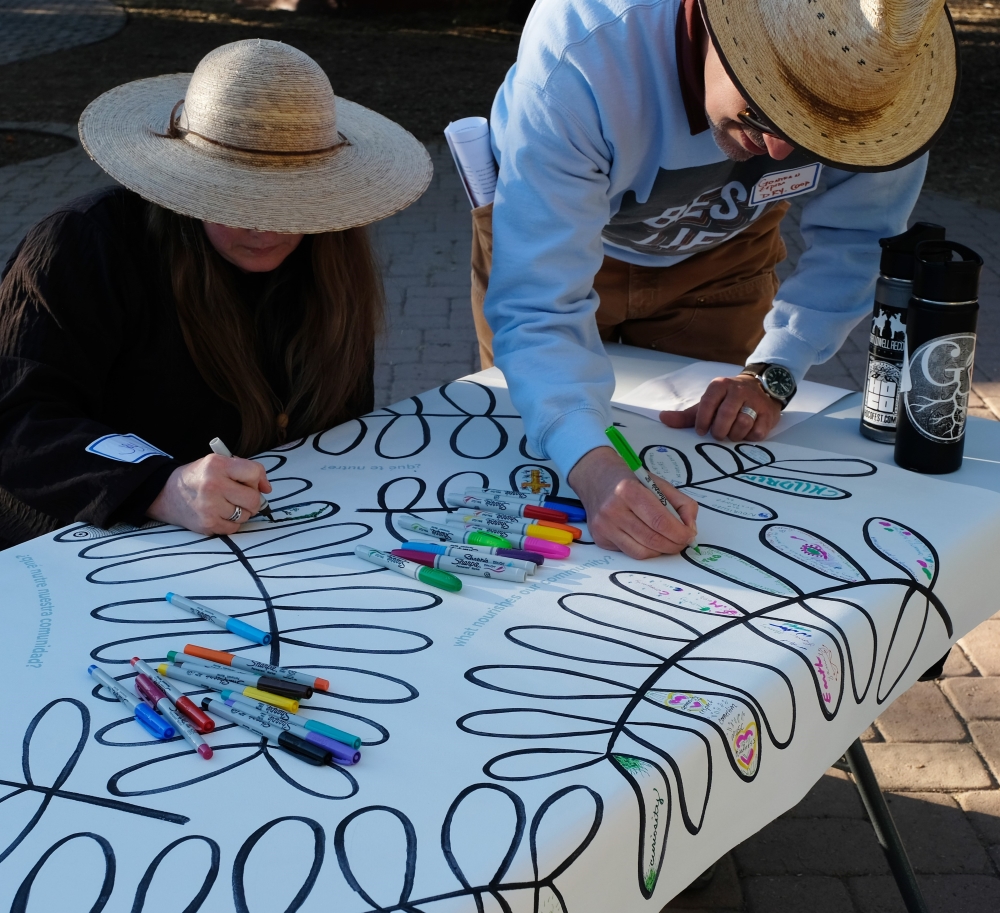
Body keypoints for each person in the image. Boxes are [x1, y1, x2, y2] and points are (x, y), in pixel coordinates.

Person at [471, 0, 957, 559]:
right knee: (537, 436)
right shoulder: (579, 47)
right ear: (713, 20)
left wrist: (776, 370)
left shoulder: (889, 83)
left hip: (727, 249)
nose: (777, 152)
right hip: (555, 237)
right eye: (765, 114)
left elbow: (858, 238)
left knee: (712, 452)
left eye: (819, 138)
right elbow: (537, 305)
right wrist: (590, 463)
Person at [0, 39, 432, 547]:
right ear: (187, 181)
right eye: (236, 197)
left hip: (268, 545)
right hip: (90, 546)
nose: (264, 228)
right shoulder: (85, 243)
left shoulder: (329, 250)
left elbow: (338, 430)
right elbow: (17, 418)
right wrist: (158, 483)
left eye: (293, 201)